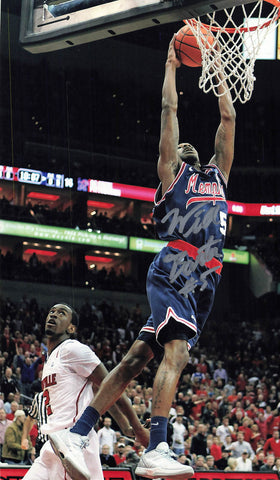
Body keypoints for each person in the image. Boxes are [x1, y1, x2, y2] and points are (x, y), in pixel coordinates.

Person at [49, 34, 235, 480]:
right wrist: (172, 66)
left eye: (192, 147)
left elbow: (227, 116)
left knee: (135, 360)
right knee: (177, 355)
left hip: (204, 281)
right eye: (181, 149)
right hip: (176, 267)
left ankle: (78, 431)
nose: (186, 147)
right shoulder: (172, 176)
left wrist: (217, 68)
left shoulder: (220, 176)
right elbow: (169, 113)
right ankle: (156, 448)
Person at [25, 303, 148, 480]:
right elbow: (102, 391)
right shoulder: (50, 359)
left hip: (73, 442)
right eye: (51, 311)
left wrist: (133, 426)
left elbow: (112, 387)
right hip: (53, 443)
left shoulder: (73, 349)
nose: (53, 315)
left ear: (71, 327)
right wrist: (126, 426)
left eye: (61, 313)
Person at [21, 391, 49, 457]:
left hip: (62, 443)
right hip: (43, 443)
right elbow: (30, 418)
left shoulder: (67, 394)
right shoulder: (39, 397)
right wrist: (24, 438)